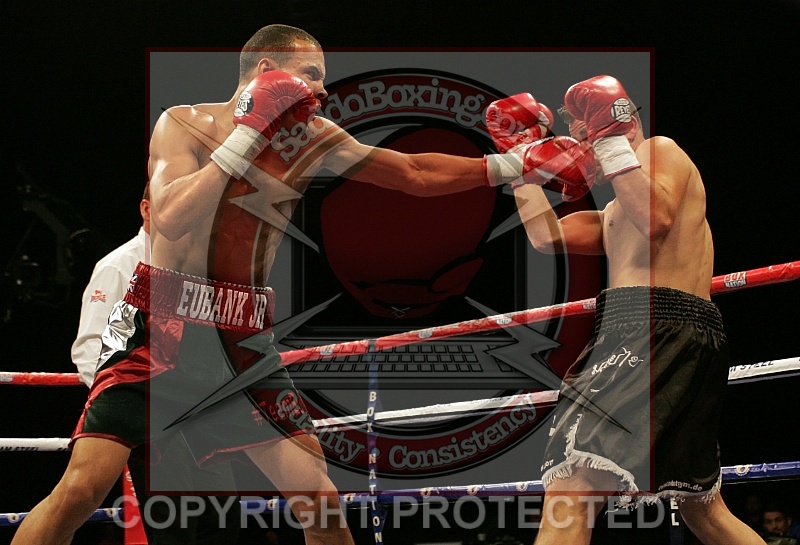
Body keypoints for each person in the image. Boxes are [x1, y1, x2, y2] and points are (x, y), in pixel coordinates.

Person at [10, 24, 539, 545]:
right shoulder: (185, 124)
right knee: (81, 490)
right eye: (311, 73)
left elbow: (413, 173)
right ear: (267, 70)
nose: (322, 90)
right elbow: (169, 217)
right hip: (161, 328)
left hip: (242, 338)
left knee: (320, 501)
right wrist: (247, 135)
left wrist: (515, 163)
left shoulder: (313, 138)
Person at [487, 76, 765, 544]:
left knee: (571, 486)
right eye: (581, 136)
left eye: (590, 131)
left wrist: (612, 139)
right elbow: (545, 236)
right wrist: (520, 163)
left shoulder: (662, 150)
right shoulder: (614, 212)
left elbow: (656, 219)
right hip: (668, 336)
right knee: (703, 509)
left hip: (652, 330)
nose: (585, 146)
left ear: (619, 122)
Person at [71, 184, 240, 544]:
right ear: (146, 209)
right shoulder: (119, 265)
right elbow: (90, 347)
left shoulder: (194, 266)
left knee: (222, 517)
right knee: (172, 523)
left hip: (199, 415)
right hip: (149, 417)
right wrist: (126, 406)